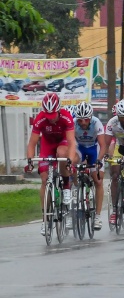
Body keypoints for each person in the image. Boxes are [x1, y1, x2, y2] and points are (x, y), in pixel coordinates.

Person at [25, 93, 77, 236]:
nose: (51, 118)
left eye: (53, 115)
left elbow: (72, 142)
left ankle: (66, 186)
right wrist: (29, 161)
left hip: (62, 143)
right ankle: (45, 219)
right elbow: (32, 143)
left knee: (61, 154)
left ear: (59, 110)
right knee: (44, 179)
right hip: (47, 145)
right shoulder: (40, 118)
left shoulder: (66, 117)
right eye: (48, 115)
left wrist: (69, 161)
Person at [73, 101, 107, 230]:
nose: (83, 123)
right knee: (72, 163)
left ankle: (97, 217)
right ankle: (76, 188)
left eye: (85, 120)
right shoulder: (74, 122)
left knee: (98, 181)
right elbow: (71, 142)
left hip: (94, 149)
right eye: (80, 120)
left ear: (90, 117)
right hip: (80, 148)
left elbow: (103, 145)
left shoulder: (96, 123)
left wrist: (98, 160)